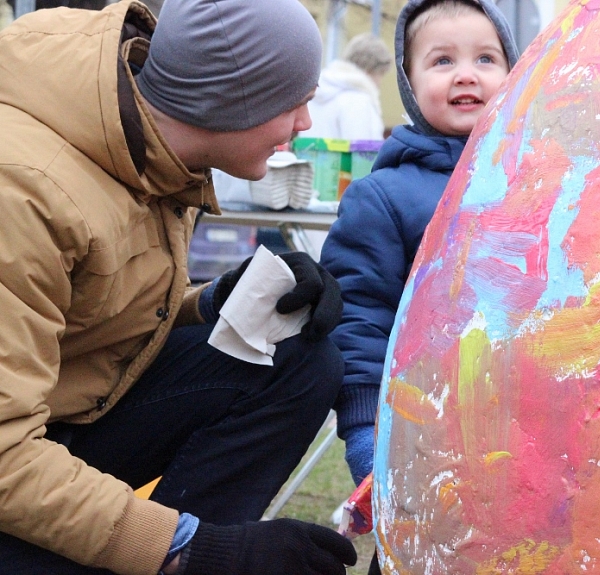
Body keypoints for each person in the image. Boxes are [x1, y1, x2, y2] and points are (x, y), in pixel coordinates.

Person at [0, 0, 357, 574]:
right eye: (294, 101)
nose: (305, 124)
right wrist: (194, 550)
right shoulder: (23, 194)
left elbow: (90, 315)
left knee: (296, 359)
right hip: (18, 462)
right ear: (231, 101)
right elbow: (4, 456)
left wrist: (213, 301)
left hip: (71, 413)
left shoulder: (145, 145)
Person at [320, 0, 518, 491]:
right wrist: (364, 430)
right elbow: (360, 314)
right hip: (421, 426)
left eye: (486, 59)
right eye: (443, 60)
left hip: (522, 428)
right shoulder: (382, 198)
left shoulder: (536, 185)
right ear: (408, 82)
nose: (466, 76)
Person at [302, 32, 394, 141]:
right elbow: (362, 150)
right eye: (381, 74)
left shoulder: (318, 92)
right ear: (370, 70)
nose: (379, 83)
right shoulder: (358, 99)